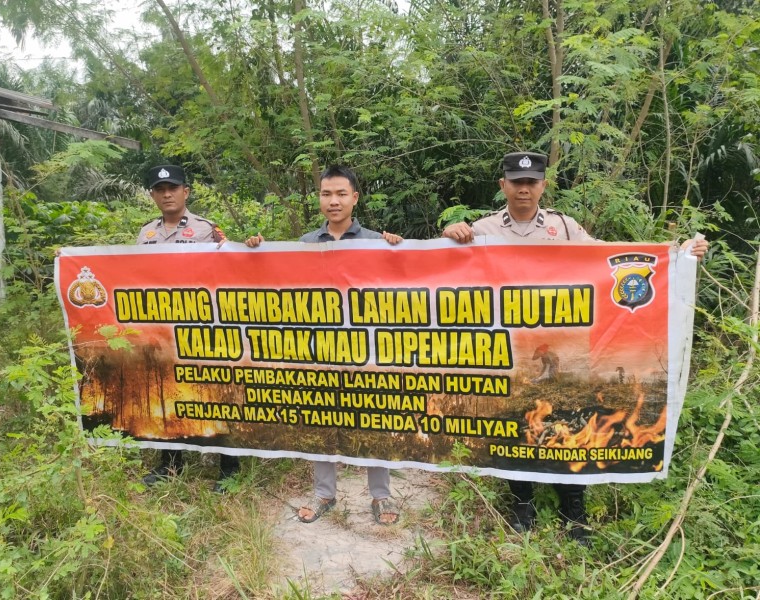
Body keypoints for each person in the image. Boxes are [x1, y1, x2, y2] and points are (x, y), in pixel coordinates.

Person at [442, 151, 709, 543]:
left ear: (543, 186)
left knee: (570, 421)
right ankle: (523, 505)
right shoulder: (482, 230)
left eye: (532, 182)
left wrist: (677, 254)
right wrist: (451, 232)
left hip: (565, 347)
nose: (524, 189)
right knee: (516, 425)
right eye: (516, 182)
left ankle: (574, 511)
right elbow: (438, 270)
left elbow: (607, 257)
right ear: (503, 186)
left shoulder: (564, 228)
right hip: (510, 352)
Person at [245, 165, 403, 525]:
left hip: (367, 353)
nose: (333, 201)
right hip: (320, 352)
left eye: (341, 194)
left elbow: (402, 288)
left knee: (374, 422)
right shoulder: (303, 245)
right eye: (326, 194)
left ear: (355, 198)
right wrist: (256, 250)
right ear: (318, 198)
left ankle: (381, 497)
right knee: (322, 422)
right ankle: (324, 495)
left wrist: (398, 250)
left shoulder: (378, 241)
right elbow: (272, 282)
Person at [138, 164, 240, 493]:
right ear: (153, 195)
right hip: (163, 329)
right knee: (168, 393)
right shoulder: (146, 234)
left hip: (203, 326)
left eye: (173, 188)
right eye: (159, 189)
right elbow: (130, 275)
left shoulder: (207, 229)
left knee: (216, 393)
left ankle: (229, 468)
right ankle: (170, 465)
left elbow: (232, 266)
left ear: (186, 191)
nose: (167, 194)